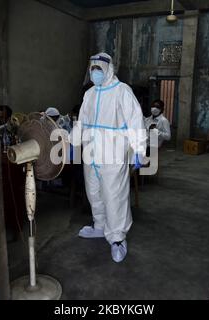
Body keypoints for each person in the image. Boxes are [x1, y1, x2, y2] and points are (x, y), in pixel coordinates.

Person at [73, 52, 146, 263]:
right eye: (92, 69)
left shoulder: (121, 91)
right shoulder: (90, 94)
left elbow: (135, 121)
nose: (95, 73)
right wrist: (73, 140)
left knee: (114, 196)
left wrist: (139, 149)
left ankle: (117, 238)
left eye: (99, 69)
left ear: (108, 69)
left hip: (113, 153)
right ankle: (100, 226)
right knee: (94, 192)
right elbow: (82, 121)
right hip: (91, 152)